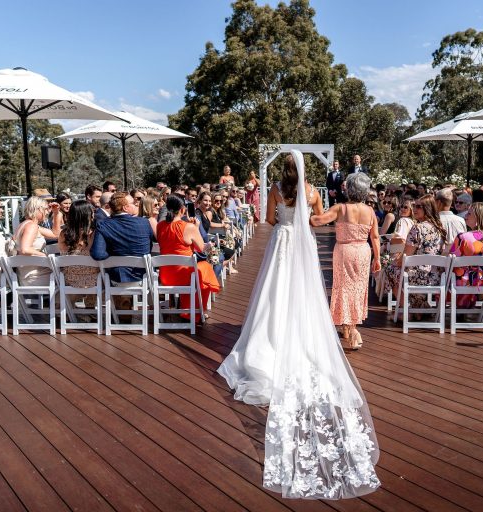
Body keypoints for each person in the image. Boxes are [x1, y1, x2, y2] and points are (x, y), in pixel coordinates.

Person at [217, 151, 379, 499]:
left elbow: (271, 220)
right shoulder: (312, 191)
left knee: (273, 291)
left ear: (282, 169)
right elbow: (316, 220)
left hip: (281, 244)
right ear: (304, 169)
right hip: (302, 243)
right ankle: (301, 331)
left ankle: (268, 337)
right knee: (303, 290)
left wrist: (286, 222)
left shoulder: (275, 187)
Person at [311, 172, 381, 350]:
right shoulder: (370, 211)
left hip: (344, 251)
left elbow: (319, 221)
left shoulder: (340, 208)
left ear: (348, 189)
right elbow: (375, 237)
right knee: (357, 289)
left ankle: (351, 329)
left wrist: (301, 215)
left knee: (343, 288)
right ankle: (350, 327)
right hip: (363, 252)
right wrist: (377, 258)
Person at [156, 195, 220, 321]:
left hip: (165, 275)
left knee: (200, 270)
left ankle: (189, 308)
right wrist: (197, 230)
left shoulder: (160, 226)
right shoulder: (188, 227)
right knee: (206, 268)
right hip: (184, 276)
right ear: (182, 209)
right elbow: (202, 248)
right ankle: (194, 311)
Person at [384, 195, 446, 308]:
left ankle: (406, 309)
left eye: (418, 206)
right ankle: (420, 307)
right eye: (414, 206)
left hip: (418, 277)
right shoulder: (440, 228)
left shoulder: (417, 228)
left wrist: (394, 260)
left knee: (390, 269)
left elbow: (406, 258)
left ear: (427, 209)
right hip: (436, 277)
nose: (414, 209)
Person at [449, 202, 483, 308]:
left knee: (445, 273)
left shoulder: (463, 237)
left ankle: (455, 309)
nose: (465, 216)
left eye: (469, 214)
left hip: (462, 281)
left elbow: (450, 261)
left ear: (478, 218)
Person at [57, 200, 99, 299]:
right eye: (92, 211)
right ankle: (91, 307)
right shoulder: (94, 233)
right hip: (94, 280)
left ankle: (71, 309)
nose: (94, 213)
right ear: (87, 214)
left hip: (69, 279)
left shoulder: (64, 234)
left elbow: (62, 254)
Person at [14, 196, 58, 285]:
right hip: (34, 276)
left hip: (25, 274)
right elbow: (25, 249)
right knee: (70, 278)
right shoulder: (31, 226)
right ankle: (58, 299)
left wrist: (56, 213)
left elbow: (56, 235)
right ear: (37, 209)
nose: (48, 212)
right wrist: (47, 256)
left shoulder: (25, 224)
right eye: (46, 209)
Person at [435, 188, 467, 253]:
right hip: (457, 259)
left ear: (438, 202)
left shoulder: (434, 221)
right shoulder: (461, 220)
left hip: (438, 259)